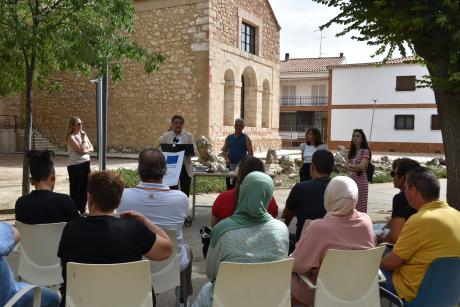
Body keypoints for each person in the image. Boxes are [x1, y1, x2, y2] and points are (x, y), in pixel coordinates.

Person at [58, 171, 173, 307]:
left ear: (89, 198)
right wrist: (144, 220)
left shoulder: (71, 229)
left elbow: (64, 268)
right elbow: (167, 250)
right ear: (119, 202)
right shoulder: (134, 229)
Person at [193, 172, 289, 307]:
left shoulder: (222, 230)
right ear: (268, 195)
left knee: (205, 291)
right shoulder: (281, 230)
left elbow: (211, 273)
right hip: (269, 298)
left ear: (242, 193)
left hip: (228, 299)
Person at [118, 148, 193, 304]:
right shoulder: (180, 198)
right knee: (187, 249)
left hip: (135, 263)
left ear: (139, 170)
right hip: (170, 264)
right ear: (165, 171)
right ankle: (182, 297)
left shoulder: (123, 196)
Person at [290, 176, 375, 306]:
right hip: (358, 291)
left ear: (329, 197)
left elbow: (297, 264)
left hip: (321, 292)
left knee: (283, 281)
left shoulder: (319, 228)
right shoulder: (366, 222)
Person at [380, 167, 460, 303]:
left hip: (414, 294)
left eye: (405, 188)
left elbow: (391, 263)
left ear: (413, 191)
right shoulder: (456, 214)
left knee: (372, 271)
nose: (404, 192)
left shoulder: (419, 220)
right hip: (447, 295)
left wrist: (375, 262)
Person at [1, 222, 60, 307]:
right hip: (10, 298)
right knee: (54, 298)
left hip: (28, 266)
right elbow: (15, 233)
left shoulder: (21, 209)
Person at [282, 150, 334, 245]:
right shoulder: (339, 189)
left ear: (312, 166)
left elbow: (285, 219)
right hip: (331, 246)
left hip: (303, 246)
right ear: (332, 168)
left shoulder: (300, 188)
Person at [15, 150, 80, 224]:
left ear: (31, 181)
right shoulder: (65, 201)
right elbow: (77, 228)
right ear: (53, 177)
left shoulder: (21, 203)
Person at [211, 156, 278, 226]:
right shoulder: (269, 200)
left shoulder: (223, 198)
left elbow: (214, 228)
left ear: (239, 174)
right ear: (262, 174)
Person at [376, 158, 419, 244]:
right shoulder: (422, 193)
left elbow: (394, 237)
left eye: (393, 174)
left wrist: (380, 240)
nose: (392, 177)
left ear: (402, 178)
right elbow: (399, 219)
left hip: (408, 245)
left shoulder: (400, 198)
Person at [156, 115, 197, 197]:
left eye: (180, 123)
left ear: (183, 124)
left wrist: (188, 151)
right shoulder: (166, 136)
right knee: (171, 191)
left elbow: (195, 152)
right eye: (176, 123)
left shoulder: (188, 136)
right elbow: (161, 151)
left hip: (184, 167)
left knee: (185, 191)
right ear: (172, 124)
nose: (178, 125)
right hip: (171, 167)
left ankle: (184, 208)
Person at [66, 116, 93, 214]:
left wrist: (85, 149)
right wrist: (83, 142)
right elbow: (80, 151)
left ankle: (82, 210)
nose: (81, 125)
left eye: (81, 123)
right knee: (76, 190)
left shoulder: (84, 135)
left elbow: (92, 148)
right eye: (78, 124)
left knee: (85, 189)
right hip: (75, 166)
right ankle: (74, 212)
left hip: (86, 163)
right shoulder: (71, 137)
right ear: (72, 125)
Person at [222, 118, 254, 189]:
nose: (238, 127)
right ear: (234, 126)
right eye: (237, 125)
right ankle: (230, 199)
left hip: (241, 167)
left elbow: (251, 153)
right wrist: (227, 159)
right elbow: (224, 151)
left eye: (240, 126)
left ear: (243, 127)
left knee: (239, 187)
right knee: (229, 186)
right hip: (230, 166)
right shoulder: (229, 138)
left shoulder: (246, 138)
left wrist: (242, 162)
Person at [346, 128, 371, 213]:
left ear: (362, 139)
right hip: (352, 181)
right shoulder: (351, 152)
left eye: (357, 136)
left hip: (361, 182)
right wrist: (354, 167)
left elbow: (362, 167)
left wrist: (352, 166)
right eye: (353, 136)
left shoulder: (365, 151)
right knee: (352, 205)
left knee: (361, 207)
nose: (355, 138)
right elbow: (347, 167)